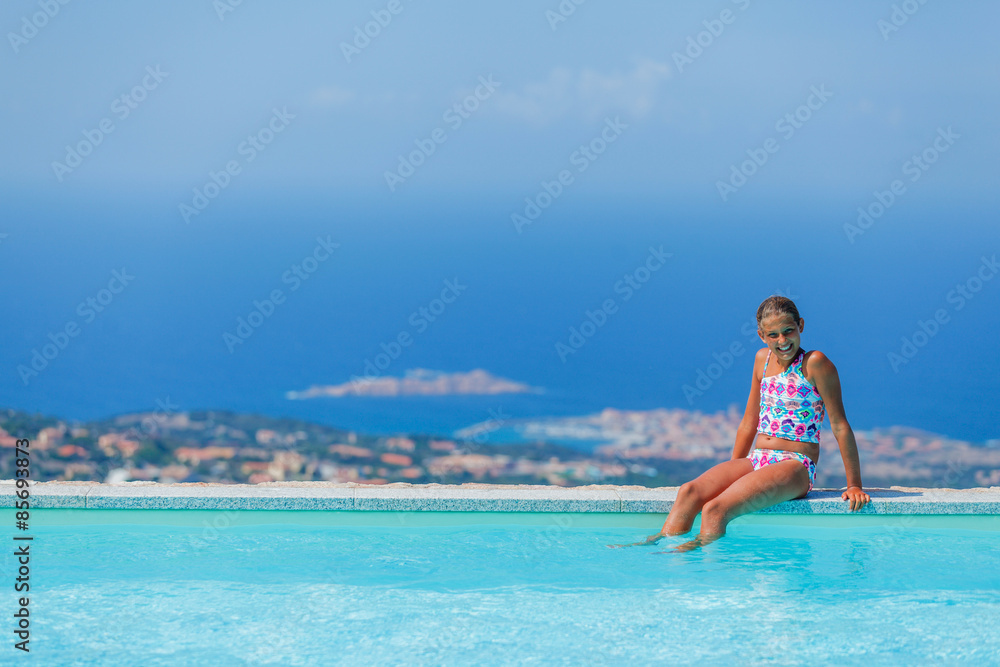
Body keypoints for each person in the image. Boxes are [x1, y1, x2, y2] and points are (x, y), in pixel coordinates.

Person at [609, 295, 870, 552]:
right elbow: (749, 421)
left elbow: (839, 425)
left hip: (795, 465)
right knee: (689, 492)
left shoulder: (815, 363)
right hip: (758, 459)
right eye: (773, 335)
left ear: (800, 325)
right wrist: (734, 468)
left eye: (788, 331)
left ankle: (692, 564)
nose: (782, 341)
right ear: (761, 336)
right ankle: (656, 546)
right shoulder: (762, 360)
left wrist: (854, 485)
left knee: (715, 509)